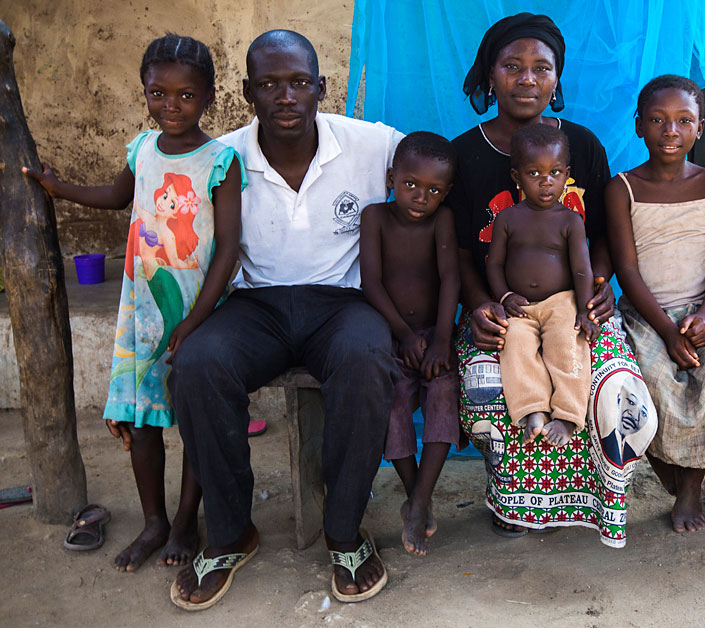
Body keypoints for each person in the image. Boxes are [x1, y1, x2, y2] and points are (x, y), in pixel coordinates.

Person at [167, 30, 403, 609]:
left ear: (322, 88)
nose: (286, 96)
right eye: (269, 84)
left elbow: (444, 171)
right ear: (248, 92)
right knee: (196, 365)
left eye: (299, 82)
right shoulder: (222, 155)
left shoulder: (373, 145)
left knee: (368, 358)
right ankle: (229, 532)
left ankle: (345, 531)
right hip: (256, 305)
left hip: (342, 303)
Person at [23, 35, 244, 570]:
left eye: (186, 95)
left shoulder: (221, 161)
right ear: (144, 93)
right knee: (141, 421)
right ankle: (155, 523)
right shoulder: (143, 147)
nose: (171, 106)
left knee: (195, 420)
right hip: (140, 312)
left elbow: (229, 250)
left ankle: (187, 523)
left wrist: (194, 321)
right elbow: (117, 195)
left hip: (199, 312)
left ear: (209, 97)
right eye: (158, 94)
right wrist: (59, 189)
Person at [449, 12, 657, 547]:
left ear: (557, 78)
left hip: (576, 303)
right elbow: (453, 252)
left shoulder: (582, 148)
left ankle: (596, 501)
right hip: (498, 303)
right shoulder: (463, 155)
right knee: (488, 371)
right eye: (512, 66)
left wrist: (601, 284)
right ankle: (513, 501)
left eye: (541, 68)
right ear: (489, 75)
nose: (526, 78)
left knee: (608, 371)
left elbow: (608, 234)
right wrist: (479, 305)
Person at [606, 75, 705, 533]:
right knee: (654, 380)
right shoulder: (621, 188)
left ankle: (690, 489)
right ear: (639, 126)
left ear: (699, 128)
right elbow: (626, 269)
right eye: (658, 121)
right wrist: (666, 330)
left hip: (703, 311)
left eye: (684, 121)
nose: (671, 131)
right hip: (646, 316)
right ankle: (671, 471)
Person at [359, 131, 461, 557]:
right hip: (392, 335)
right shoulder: (374, 218)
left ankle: (419, 501)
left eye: (434, 190)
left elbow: (451, 277)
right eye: (411, 185)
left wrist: (441, 340)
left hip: (436, 336)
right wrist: (401, 334)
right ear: (390, 179)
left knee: (442, 395)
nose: (421, 196)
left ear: (447, 193)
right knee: (393, 406)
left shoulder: (442, 221)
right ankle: (412, 492)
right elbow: (372, 281)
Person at [487, 125, 599, 447]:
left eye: (554, 172)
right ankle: (532, 409)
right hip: (519, 306)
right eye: (534, 172)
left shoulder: (569, 220)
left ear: (567, 174)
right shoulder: (508, 219)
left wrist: (584, 310)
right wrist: (505, 295)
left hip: (561, 302)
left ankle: (567, 415)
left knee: (567, 345)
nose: (545, 181)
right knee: (515, 344)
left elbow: (582, 268)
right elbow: (494, 264)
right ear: (516, 176)